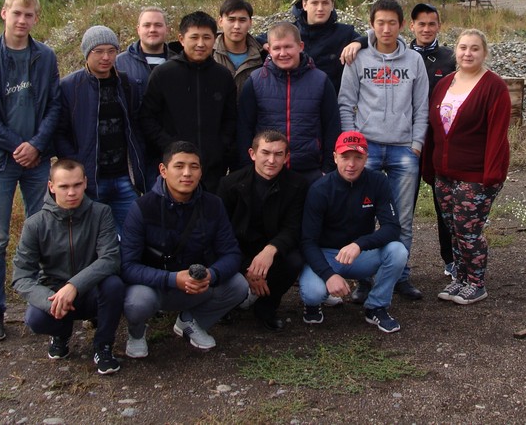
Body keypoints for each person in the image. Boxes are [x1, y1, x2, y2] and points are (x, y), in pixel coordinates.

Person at [0, 0, 62, 342]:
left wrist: (36, 145)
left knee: (43, 232)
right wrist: (15, 146)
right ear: (4, 13)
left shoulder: (45, 57)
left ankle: (42, 302)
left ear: (36, 19)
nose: (22, 20)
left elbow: (55, 105)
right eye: (17, 13)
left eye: (29, 15)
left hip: (37, 160)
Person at [338, 0, 429, 302]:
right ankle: (364, 278)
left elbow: (421, 107)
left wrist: (416, 145)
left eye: (392, 23)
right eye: (380, 23)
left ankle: (400, 276)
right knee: (361, 216)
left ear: (402, 25)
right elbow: (345, 103)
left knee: (401, 219)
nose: (386, 29)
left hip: (404, 149)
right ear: (372, 24)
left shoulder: (414, 61)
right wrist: (353, 144)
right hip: (368, 148)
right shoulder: (358, 58)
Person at [120, 141, 248, 357]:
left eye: (194, 167)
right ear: (163, 170)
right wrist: (171, 279)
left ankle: (191, 321)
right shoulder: (142, 207)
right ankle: (136, 332)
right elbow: (127, 266)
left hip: (196, 286)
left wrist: (211, 274)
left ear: (201, 171)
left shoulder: (213, 205)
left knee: (238, 285)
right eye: (179, 166)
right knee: (137, 302)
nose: (187, 173)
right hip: (154, 287)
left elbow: (232, 253)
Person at [422, 29, 511, 305]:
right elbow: (433, 129)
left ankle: (476, 283)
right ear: (455, 51)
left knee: (468, 230)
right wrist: (429, 166)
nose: (467, 53)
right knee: (452, 228)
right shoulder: (444, 84)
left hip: (476, 174)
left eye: (474, 48)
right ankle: (460, 278)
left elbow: (498, 134)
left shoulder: (493, 87)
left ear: (484, 53)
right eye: (462, 48)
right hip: (445, 173)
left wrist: (491, 175)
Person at [12, 159, 124, 374]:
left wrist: (74, 286)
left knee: (114, 285)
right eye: (64, 186)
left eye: (77, 185)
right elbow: (21, 276)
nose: (71, 192)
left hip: (91, 289)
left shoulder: (101, 213)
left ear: (85, 183)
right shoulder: (35, 224)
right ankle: (61, 334)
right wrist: (50, 301)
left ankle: (103, 346)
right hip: (55, 293)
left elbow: (110, 258)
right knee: (35, 319)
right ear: (51, 186)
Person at [299, 131, 407, 333]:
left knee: (398, 251)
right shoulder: (320, 189)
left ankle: (376, 306)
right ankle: (314, 302)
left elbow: (392, 227)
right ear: (335, 157)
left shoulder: (377, 181)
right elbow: (307, 241)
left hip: (360, 255)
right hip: (327, 255)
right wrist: (328, 275)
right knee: (313, 294)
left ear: (366, 158)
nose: (351, 164)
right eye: (345, 157)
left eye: (358, 157)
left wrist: (359, 244)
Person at [55, 26, 146, 232]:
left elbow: (136, 126)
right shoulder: (69, 87)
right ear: (87, 53)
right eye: (99, 51)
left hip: (125, 178)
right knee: (92, 236)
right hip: (90, 180)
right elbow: (59, 132)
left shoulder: (127, 84)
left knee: (131, 235)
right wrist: (76, 163)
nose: (106, 57)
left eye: (111, 51)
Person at [217, 131, 309, 332]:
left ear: (286, 157)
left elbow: (293, 228)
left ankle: (266, 307)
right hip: (237, 248)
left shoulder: (298, 184)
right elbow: (222, 233)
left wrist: (270, 249)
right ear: (252, 154)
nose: (271, 160)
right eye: (265, 153)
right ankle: (226, 304)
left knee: (294, 260)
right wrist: (246, 267)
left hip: (272, 247)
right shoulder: (229, 184)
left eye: (278, 154)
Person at [139, 11, 237, 192]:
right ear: (181, 39)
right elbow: (147, 117)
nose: (201, 44)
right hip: (174, 166)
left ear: (214, 39)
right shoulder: (164, 74)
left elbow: (230, 118)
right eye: (194, 37)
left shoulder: (223, 76)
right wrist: (170, 146)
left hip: (213, 168)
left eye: (206, 37)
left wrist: (220, 146)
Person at [237, 22, 340, 182]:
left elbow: (332, 126)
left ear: (300, 46)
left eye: (288, 47)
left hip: (309, 171)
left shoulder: (320, 80)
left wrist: (328, 168)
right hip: (267, 171)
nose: (283, 53)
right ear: (269, 49)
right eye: (277, 48)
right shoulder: (256, 81)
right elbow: (244, 127)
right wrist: (247, 168)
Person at [409, 3, 457, 277]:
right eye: (421, 24)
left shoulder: (451, 58)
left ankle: (451, 259)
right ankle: (399, 265)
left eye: (431, 24)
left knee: (445, 204)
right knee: (404, 205)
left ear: (439, 26)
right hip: (408, 142)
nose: (426, 29)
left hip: (440, 141)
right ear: (411, 26)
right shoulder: (401, 55)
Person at [259, 0, 364, 94]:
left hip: (330, 99)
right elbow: (257, 40)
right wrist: (267, 45)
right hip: (293, 98)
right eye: (314, 3)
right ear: (304, 5)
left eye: (325, 3)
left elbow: (371, 40)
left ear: (332, 6)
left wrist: (358, 43)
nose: (320, 8)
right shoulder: (290, 31)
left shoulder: (344, 33)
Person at [116, 6, 175, 188]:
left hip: (169, 143)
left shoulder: (178, 61)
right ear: (138, 29)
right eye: (147, 25)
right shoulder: (120, 63)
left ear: (167, 29)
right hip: (134, 145)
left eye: (158, 25)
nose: (152, 29)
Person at [213, 0, 266, 96]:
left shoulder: (263, 55)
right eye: (231, 20)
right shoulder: (208, 53)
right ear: (220, 21)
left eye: (242, 20)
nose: (237, 26)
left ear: (250, 22)